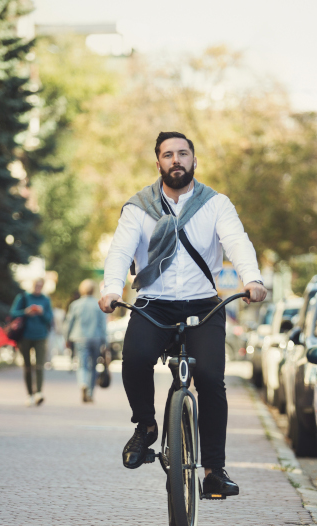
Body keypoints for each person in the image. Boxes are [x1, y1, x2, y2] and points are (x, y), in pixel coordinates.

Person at [100, 131, 267, 497]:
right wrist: (111, 289)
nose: (176, 160)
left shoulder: (216, 204)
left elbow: (237, 241)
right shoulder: (138, 207)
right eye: (168, 154)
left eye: (183, 153)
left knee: (210, 379)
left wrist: (252, 278)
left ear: (194, 160)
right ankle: (145, 427)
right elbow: (120, 251)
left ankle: (214, 470)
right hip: (153, 301)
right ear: (158, 162)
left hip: (203, 304)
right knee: (135, 358)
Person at [10, 278, 53, 407]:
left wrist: (41, 312)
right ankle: (30, 394)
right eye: (36, 285)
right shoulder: (23, 297)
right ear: (32, 285)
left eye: (41, 285)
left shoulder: (45, 300)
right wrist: (26, 312)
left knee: (39, 365)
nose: (38, 287)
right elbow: (12, 313)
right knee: (28, 367)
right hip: (25, 336)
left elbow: (49, 318)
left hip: (40, 336)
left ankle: (39, 393)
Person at [65, 279, 107, 403]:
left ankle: (83, 384)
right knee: (93, 366)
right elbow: (103, 325)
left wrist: (67, 338)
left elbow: (69, 323)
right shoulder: (98, 304)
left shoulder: (75, 305)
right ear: (93, 290)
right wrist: (106, 342)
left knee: (82, 364)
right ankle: (90, 392)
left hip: (80, 338)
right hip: (96, 338)